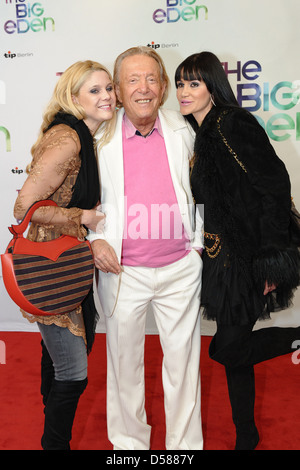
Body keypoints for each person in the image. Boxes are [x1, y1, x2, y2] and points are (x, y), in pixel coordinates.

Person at [175, 51, 300, 450]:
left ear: (214, 86)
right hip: (219, 260)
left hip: (247, 259)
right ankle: (247, 436)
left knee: (228, 347)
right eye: (180, 83)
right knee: (235, 355)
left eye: (194, 82)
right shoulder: (197, 134)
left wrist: (271, 262)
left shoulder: (231, 123)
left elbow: (274, 186)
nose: (184, 91)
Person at [88, 46, 203, 450]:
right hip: (123, 272)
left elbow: (207, 188)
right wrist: (94, 240)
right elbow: (80, 200)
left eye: (151, 78)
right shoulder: (96, 140)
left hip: (180, 269)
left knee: (184, 367)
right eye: (133, 80)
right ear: (117, 90)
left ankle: (185, 449)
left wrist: (199, 245)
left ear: (164, 86)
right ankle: (129, 447)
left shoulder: (185, 129)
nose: (143, 88)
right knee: (124, 368)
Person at [13, 60, 116, 450]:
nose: (106, 96)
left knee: (59, 359)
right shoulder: (68, 139)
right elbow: (24, 206)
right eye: (94, 90)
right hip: (48, 263)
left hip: (68, 259)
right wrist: (82, 216)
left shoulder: (87, 137)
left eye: (109, 88)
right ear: (73, 98)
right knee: (73, 371)